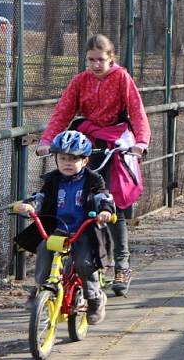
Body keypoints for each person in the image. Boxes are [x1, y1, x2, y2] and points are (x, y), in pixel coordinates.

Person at [35, 34, 150, 297]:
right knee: (71, 191)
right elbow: (63, 111)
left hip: (116, 141)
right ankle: (64, 262)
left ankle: (122, 264)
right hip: (90, 140)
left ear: (111, 59)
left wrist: (141, 141)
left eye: (101, 60)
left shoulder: (122, 79)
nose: (96, 65)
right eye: (91, 60)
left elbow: (136, 111)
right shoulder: (80, 81)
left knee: (112, 201)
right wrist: (46, 140)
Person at [15, 130, 116, 324]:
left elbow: (103, 196)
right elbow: (41, 197)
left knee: (84, 261)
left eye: (73, 159)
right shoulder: (53, 180)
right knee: (44, 248)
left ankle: (94, 298)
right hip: (60, 228)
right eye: (62, 158)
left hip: (84, 230)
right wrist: (30, 205)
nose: (67, 163)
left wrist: (105, 210)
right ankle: (41, 288)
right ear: (56, 159)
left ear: (85, 161)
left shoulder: (93, 180)